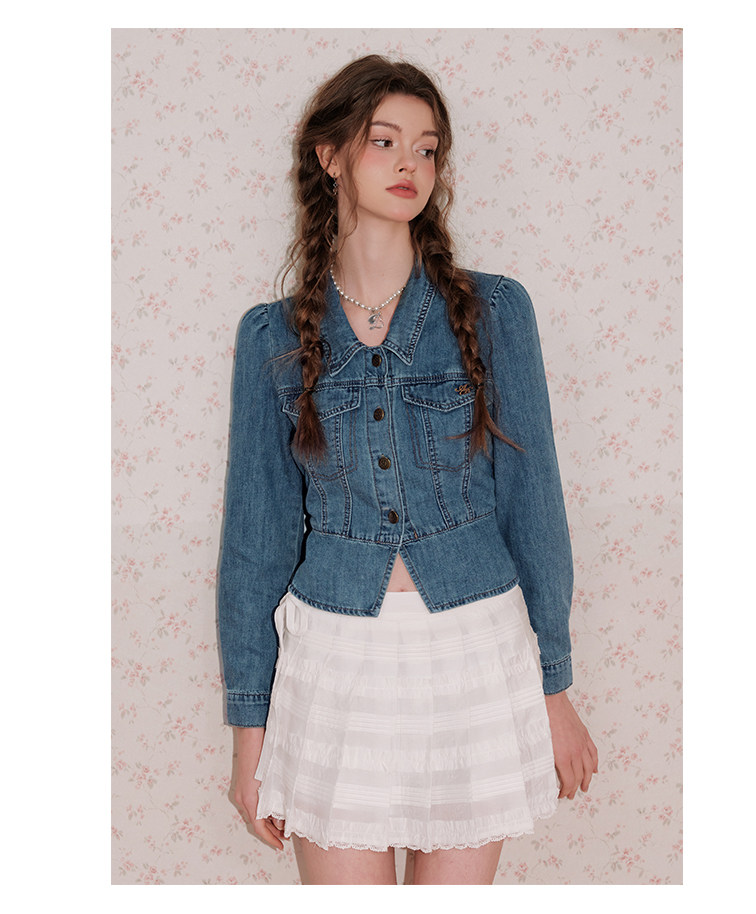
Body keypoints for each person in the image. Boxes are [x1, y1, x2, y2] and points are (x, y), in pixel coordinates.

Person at [218, 54, 597, 886]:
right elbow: (255, 545)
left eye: (427, 148)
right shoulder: (271, 337)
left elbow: (535, 508)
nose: (410, 164)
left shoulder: (495, 311)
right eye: (383, 141)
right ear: (330, 157)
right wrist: (250, 737)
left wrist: (554, 687)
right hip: (334, 665)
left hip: (476, 654)